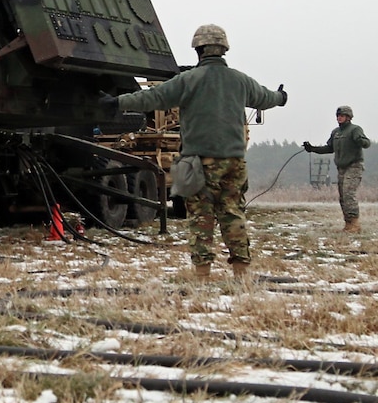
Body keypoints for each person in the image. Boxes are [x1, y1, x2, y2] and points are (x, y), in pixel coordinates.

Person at [99, 24, 287, 279]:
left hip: (199, 162)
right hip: (234, 162)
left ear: (198, 50)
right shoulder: (240, 81)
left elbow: (153, 98)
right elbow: (266, 98)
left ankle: (202, 275)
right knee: (233, 213)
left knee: (201, 217)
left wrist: (117, 102)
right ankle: (241, 273)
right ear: (223, 50)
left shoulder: (188, 81)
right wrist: (280, 97)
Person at [304, 106, 370, 233]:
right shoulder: (336, 132)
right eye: (338, 115)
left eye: (342, 115)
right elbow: (329, 148)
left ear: (348, 117)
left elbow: (366, 143)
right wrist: (312, 149)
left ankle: (355, 224)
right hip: (341, 168)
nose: (339, 117)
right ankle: (348, 224)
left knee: (348, 194)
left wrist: (360, 140)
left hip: (354, 165)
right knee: (343, 197)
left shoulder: (355, 129)